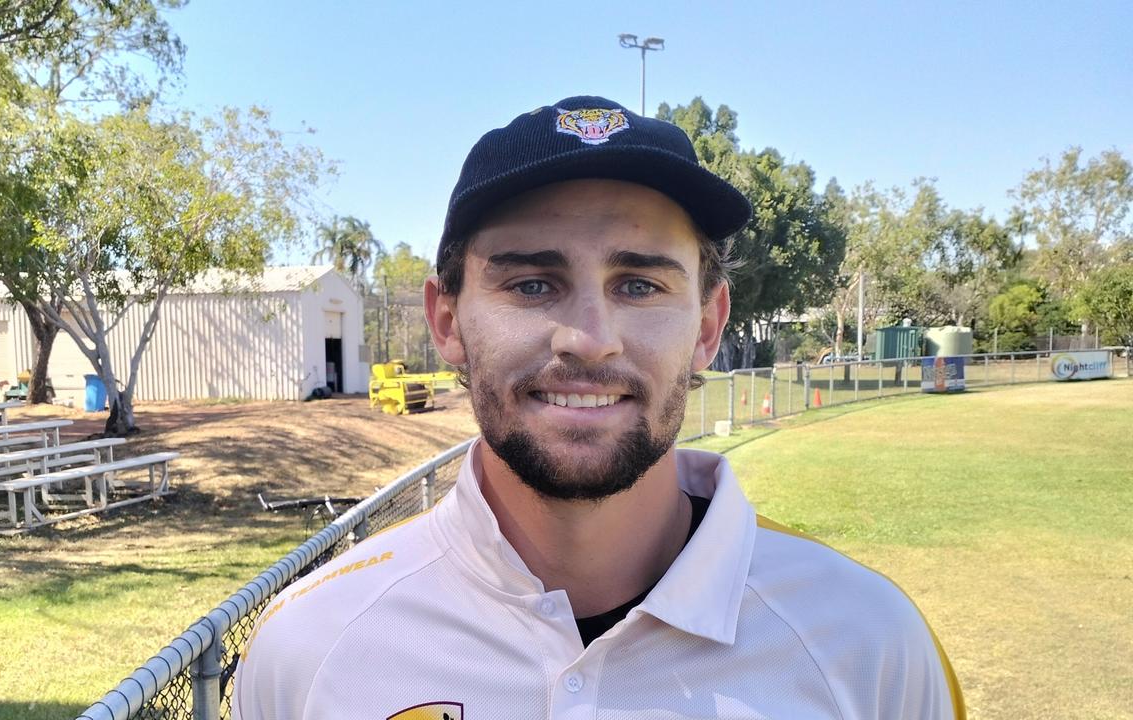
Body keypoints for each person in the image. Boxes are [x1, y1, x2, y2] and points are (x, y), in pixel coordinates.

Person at [233, 95, 965, 720]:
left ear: (708, 326)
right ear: (447, 321)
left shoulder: (867, 645)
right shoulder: (308, 648)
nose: (588, 339)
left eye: (640, 286)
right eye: (530, 285)